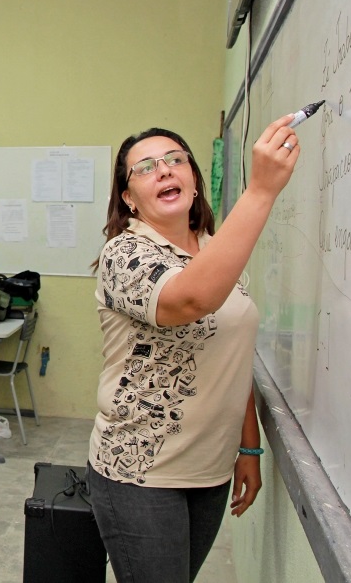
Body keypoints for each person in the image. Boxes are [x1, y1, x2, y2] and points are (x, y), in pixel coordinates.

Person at [87, 115, 299, 582]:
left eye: (175, 160)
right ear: (129, 198)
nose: (163, 170)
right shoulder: (124, 254)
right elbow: (189, 301)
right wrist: (261, 190)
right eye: (145, 167)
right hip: (141, 472)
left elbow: (232, 352)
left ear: (195, 179)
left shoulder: (213, 248)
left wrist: (249, 448)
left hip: (210, 470)